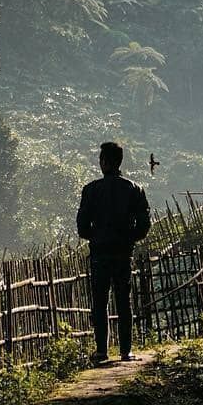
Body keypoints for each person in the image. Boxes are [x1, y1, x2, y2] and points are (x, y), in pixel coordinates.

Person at [76, 141, 151, 364]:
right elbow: (144, 224)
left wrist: (98, 237)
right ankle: (126, 351)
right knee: (124, 301)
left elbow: (81, 227)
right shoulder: (134, 189)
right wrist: (128, 239)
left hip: (99, 254)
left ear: (105, 162)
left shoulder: (91, 190)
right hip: (123, 253)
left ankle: (101, 351)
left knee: (100, 302)